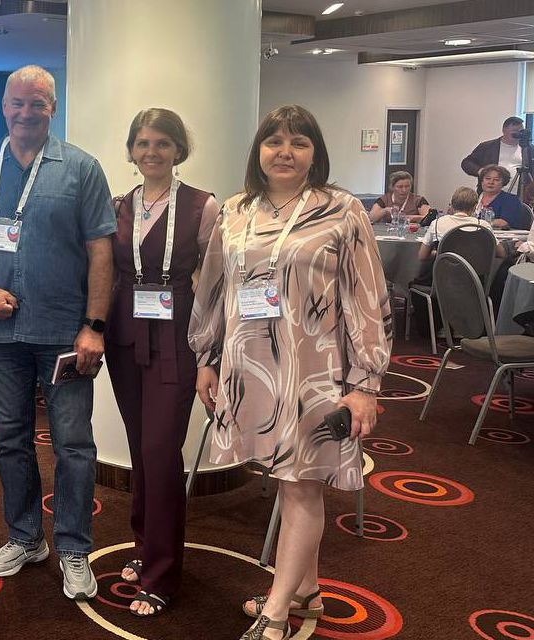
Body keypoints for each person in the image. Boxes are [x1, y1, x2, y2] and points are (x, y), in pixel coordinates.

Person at [188, 105, 391, 640]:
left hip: (315, 371)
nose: (285, 152)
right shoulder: (236, 210)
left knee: (303, 487)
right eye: (274, 141)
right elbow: (214, 290)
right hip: (250, 367)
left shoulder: (342, 210)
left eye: (299, 143)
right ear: (258, 150)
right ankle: (306, 591)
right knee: (287, 480)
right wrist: (207, 358)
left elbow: (367, 300)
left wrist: (365, 385)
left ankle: (276, 613)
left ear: (315, 153)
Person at [0, 64, 115, 600]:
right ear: (3, 106)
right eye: (17, 102)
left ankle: (74, 546)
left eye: (37, 103)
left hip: (65, 334)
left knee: (73, 444)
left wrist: (94, 326)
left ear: (52, 108)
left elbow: (100, 252)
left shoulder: (81, 168)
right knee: (11, 441)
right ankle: (24, 536)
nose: (26, 112)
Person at [105, 108, 219, 617]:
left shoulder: (202, 205)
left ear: (178, 150)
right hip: (126, 334)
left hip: (176, 335)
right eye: (143, 143)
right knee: (139, 448)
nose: (151, 152)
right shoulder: (118, 205)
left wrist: (211, 349)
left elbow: (215, 283)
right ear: (132, 150)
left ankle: (163, 573)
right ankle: (144, 545)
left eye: (162, 143)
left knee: (160, 450)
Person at [417, 187, 497, 262]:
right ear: (475, 206)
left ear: (452, 205)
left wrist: (441, 253)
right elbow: (500, 253)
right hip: (476, 271)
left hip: (444, 270)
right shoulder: (483, 226)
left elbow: (422, 256)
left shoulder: (437, 223)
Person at [462, 117, 529, 197]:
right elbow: (466, 163)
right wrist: (481, 171)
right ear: (504, 130)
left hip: (519, 196)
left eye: (520, 131)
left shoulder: (528, 149)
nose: (518, 135)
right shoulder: (487, 147)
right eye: (514, 131)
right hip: (490, 195)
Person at [476, 164, 531, 230]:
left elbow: (504, 223)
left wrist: (477, 223)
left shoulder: (511, 200)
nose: (491, 182)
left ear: (503, 183)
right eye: (487, 179)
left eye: (496, 180)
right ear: (482, 181)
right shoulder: (474, 198)